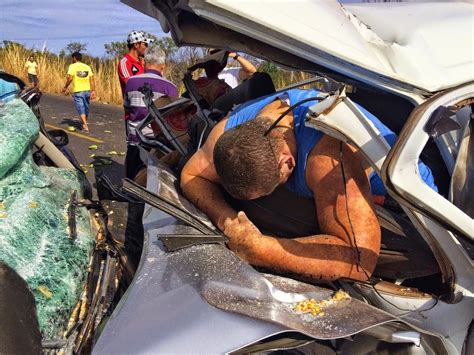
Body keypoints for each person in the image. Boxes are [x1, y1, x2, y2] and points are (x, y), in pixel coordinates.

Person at [181, 88, 438, 282]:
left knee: (424, 256)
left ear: (288, 163)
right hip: (324, 185)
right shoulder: (233, 132)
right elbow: (191, 176)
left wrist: (260, 249)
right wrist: (229, 222)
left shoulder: (329, 157)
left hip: (409, 207)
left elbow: (360, 261)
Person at [123, 47, 178, 179]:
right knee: (152, 182)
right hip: (158, 145)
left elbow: (127, 108)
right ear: (163, 66)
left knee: (131, 180)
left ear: (143, 63)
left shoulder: (131, 82)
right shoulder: (170, 87)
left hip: (135, 140)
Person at [62, 52, 95, 133]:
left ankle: (85, 126)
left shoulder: (72, 66)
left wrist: (65, 87)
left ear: (74, 58)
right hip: (87, 91)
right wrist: (93, 90)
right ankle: (84, 123)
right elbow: (92, 79)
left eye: (72, 58)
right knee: (86, 107)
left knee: (81, 108)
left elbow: (69, 78)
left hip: (78, 90)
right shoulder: (87, 66)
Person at [118, 30, 155, 96]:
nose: (147, 47)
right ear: (136, 45)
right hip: (134, 104)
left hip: (148, 103)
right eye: (145, 44)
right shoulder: (124, 63)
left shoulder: (143, 63)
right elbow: (131, 84)